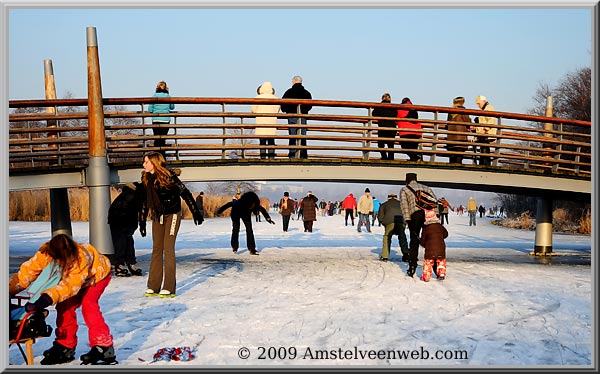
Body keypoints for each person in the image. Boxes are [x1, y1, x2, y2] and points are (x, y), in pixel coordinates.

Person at [8, 234, 116, 365]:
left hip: (96, 277)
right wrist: (8, 291)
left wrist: (46, 298)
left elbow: (70, 286)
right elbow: (25, 274)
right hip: (74, 280)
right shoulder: (45, 253)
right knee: (64, 306)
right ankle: (66, 345)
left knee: (89, 305)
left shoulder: (81, 257)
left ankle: (104, 346)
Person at [139, 151, 204, 298]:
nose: (144, 165)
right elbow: (145, 202)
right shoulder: (147, 179)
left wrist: (195, 212)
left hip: (172, 214)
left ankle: (169, 287)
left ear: (155, 163)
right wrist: (142, 221)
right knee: (156, 249)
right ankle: (153, 286)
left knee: (168, 248)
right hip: (157, 215)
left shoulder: (170, 177)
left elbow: (186, 194)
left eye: (146, 162)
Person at [400, 172, 437, 277]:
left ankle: (412, 267)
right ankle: (433, 265)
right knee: (430, 240)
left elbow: (404, 205)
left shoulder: (405, 189)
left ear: (407, 180)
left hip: (415, 216)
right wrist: (435, 217)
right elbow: (434, 202)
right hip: (428, 215)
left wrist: (407, 219)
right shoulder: (426, 188)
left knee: (414, 241)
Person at [108, 182, 144, 277]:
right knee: (121, 243)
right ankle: (120, 265)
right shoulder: (132, 195)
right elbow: (127, 211)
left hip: (122, 221)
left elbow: (134, 213)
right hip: (118, 221)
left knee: (128, 242)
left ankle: (129, 263)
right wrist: (133, 226)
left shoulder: (132, 194)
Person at [281, 75, 312, 159]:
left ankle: (292, 155)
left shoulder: (289, 92)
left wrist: (286, 110)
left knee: (292, 136)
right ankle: (303, 154)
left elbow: (283, 104)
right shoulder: (307, 93)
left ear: (294, 81)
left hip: (292, 115)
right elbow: (310, 105)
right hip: (303, 116)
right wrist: (304, 110)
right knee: (303, 136)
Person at [251, 81, 280, 159]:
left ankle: (262, 157)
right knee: (271, 141)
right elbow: (277, 110)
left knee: (262, 141)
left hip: (261, 122)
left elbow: (253, 110)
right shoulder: (276, 98)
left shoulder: (257, 97)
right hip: (271, 123)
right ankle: (271, 157)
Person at [377, 193, 409, 262]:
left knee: (387, 237)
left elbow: (380, 216)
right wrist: (405, 223)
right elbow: (407, 213)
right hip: (401, 221)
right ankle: (406, 254)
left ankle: (385, 256)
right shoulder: (401, 204)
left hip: (389, 222)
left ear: (388, 198)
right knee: (402, 237)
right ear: (396, 198)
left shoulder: (384, 204)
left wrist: (383, 222)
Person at [147, 81, 175, 157]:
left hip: (156, 120)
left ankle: (156, 157)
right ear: (166, 88)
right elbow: (172, 107)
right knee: (163, 139)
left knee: (156, 139)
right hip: (165, 120)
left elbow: (150, 109)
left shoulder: (154, 96)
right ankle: (162, 156)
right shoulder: (168, 96)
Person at [420, 209, 449, 282]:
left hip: (430, 249)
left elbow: (423, 240)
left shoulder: (426, 228)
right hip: (441, 248)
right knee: (441, 261)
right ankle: (441, 273)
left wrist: (423, 244)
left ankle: (426, 276)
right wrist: (441, 237)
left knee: (428, 263)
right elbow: (446, 234)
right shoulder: (440, 226)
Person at [446, 96, 472, 164]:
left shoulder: (450, 111)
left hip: (451, 138)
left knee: (452, 156)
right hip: (460, 138)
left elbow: (447, 123)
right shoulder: (463, 110)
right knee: (459, 156)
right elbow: (467, 121)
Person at [473, 95, 497, 166]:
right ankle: (484, 164)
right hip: (484, 133)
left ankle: (485, 165)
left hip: (486, 133)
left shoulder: (489, 108)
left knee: (485, 149)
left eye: (478, 103)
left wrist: (485, 129)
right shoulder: (486, 108)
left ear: (483, 101)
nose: (478, 105)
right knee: (484, 149)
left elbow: (491, 120)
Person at [372, 93, 397, 160]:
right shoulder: (393, 107)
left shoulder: (379, 106)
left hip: (382, 127)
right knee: (391, 144)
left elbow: (373, 114)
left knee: (380, 144)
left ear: (382, 98)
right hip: (392, 127)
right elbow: (396, 114)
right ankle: (391, 158)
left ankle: (384, 157)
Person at [397, 97, 422, 161]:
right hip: (416, 131)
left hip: (405, 131)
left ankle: (415, 157)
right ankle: (414, 158)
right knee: (413, 147)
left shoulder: (400, 109)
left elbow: (397, 119)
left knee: (404, 147)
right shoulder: (414, 108)